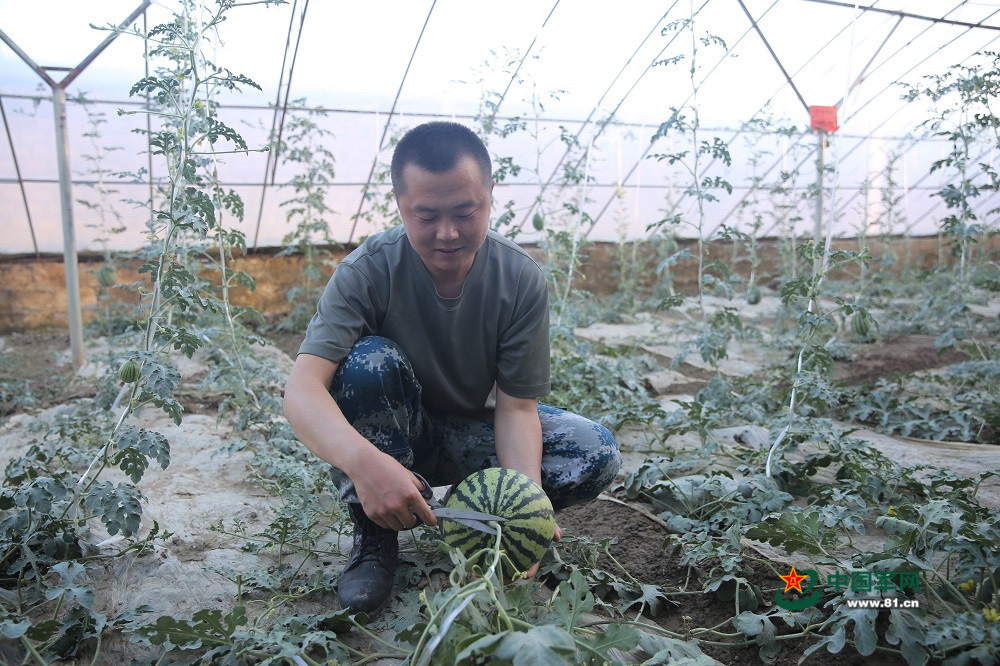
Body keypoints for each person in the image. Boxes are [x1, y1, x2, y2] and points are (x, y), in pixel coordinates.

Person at [283, 121, 621, 617]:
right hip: (395, 434)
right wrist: (365, 464)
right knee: (368, 361)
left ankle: (473, 520)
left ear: (490, 193)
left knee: (594, 451)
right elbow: (302, 390)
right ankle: (376, 534)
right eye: (426, 216)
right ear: (400, 204)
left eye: (466, 212)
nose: (448, 233)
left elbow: (517, 408)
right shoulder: (366, 271)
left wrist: (524, 511)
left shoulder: (519, 279)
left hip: (470, 431)